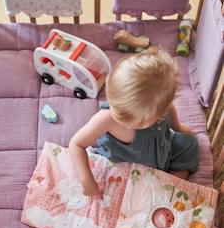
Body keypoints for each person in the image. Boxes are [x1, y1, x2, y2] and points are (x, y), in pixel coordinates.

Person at [69, 48, 198, 197]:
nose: (121, 120)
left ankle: (172, 181)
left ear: (159, 113)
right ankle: (163, 182)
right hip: (125, 163)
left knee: (189, 143)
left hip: (163, 150)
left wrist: (178, 126)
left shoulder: (160, 104)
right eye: (116, 110)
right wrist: (87, 181)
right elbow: (76, 144)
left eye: (134, 121)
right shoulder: (106, 118)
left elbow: (170, 108)